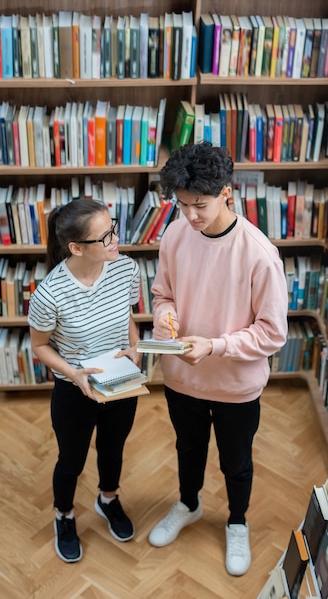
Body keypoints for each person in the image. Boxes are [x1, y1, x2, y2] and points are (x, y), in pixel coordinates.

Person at [148, 142, 288, 576]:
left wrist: (215, 345)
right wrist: (166, 317)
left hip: (234, 385)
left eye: (200, 206)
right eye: (182, 204)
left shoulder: (259, 254)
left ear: (227, 192)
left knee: (236, 461)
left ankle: (237, 521)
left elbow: (272, 333)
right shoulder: (174, 234)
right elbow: (162, 295)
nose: (190, 216)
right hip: (181, 378)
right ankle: (189, 504)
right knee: (187, 449)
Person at [28, 198, 141, 563]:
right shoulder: (49, 293)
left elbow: (127, 316)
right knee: (71, 461)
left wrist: (135, 348)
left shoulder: (126, 269)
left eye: (114, 228)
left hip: (121, 380)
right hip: (75, 389)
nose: (115, 239)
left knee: (113, 449)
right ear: (76, 248)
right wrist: (73, 373)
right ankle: (64, 514)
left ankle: (108, 498)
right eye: (104, 236)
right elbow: (39, 346)